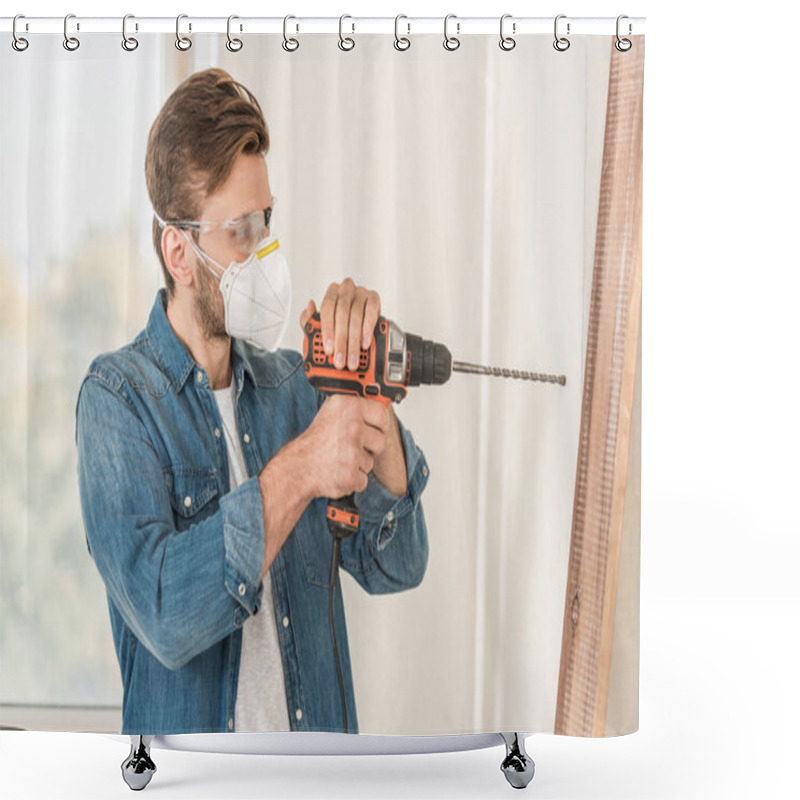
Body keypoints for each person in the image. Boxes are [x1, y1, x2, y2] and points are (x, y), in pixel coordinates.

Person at [75, 68, 430, 736]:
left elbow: (398, 565)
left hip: (318, 782)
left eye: (267, 220)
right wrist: (299, 470)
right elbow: (165, 614)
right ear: (178, 253)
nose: (264, 249)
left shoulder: (298, 389)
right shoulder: (117, 403)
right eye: (240, 229)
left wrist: (373, 409)